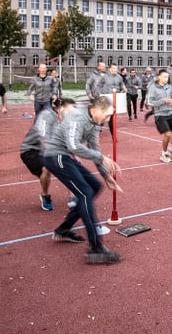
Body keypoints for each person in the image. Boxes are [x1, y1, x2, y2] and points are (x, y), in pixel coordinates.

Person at [43, 96, 123, 264]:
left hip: (65, 157)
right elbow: (73, 146)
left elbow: (94, 148)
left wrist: (106, 175)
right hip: (55, 156)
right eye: (107, 115)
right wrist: (102, 159)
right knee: (85, 193)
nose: (108, 120)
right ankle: (96, 248)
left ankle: (63, 230)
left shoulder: (95, 123)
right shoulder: (77, 116)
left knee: (95, 186)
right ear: (96, 110)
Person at [19, 98, 76, 211]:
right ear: (61, 108)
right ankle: (45, 195)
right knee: (47, 168)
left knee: (71, 165)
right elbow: (43, 139)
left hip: (49, 149)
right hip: (31, 150)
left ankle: (73, 198)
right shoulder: (46, 115)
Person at [148, 68, 172, 162]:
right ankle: (164, 154)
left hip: (170, 113)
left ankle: (171, 149)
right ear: (159, 77)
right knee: (167, 134)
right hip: (160, 114)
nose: (166, 78)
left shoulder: (169, 87)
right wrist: (163, 101)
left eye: (167, 77)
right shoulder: (153, 88)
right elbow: (150, 102)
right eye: (164, 77)